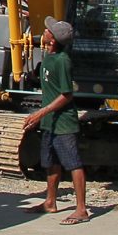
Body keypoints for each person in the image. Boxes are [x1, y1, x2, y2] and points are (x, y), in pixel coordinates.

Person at [22, 16, 90, 224]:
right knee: (51, 163)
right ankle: (50, 201)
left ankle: (81, 209)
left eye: (47, 30)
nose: (44, 31)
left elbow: (66, 94)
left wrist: (40, 113)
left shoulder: (62, 61)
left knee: (73, 163)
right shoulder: (47, 58)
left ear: (53, 40)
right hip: (50, 121)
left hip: (63, 122)